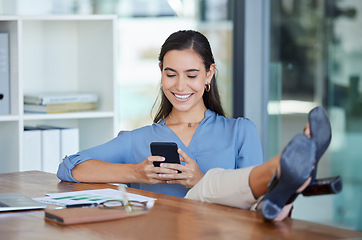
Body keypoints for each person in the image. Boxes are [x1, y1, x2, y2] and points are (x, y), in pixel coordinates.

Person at [57, 30, 336, 221]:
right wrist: (136, 172)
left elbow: (248, 212)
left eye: (191, 75)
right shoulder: (137, 140)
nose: (180, 86)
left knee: (247, 200)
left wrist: (199, 180)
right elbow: (69, 167)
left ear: (209, 74)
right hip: (158, 233)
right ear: (161, 74)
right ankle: (285, 178)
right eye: (171, 74)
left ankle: (281, 189)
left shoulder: (239, 131)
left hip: (223, 233)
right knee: (249, 197)